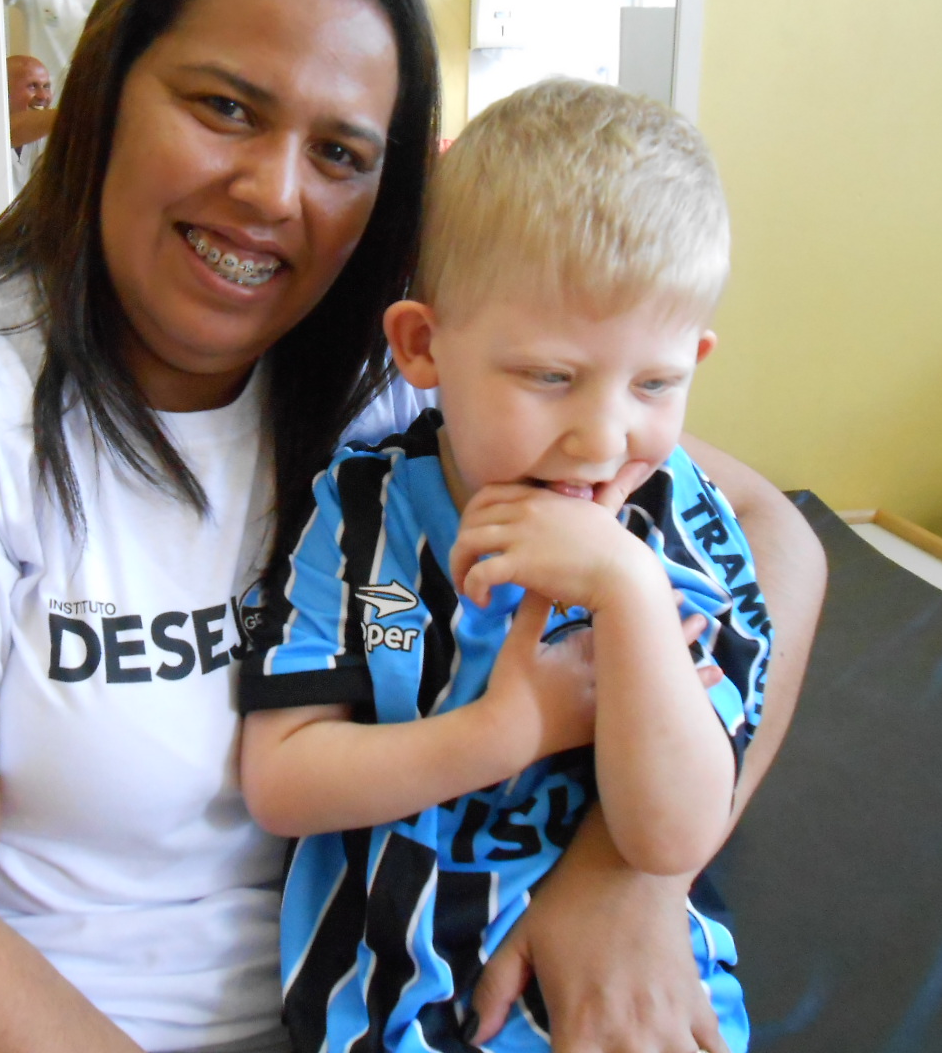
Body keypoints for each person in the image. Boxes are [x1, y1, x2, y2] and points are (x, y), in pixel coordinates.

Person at [0, 0, 824, 1053]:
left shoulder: (388, 381)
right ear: (107, 92)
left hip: (343, 1012)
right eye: (226, 108)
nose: (271, 193)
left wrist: (627, 880)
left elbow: (775, 538)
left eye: (343, 154)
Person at [240, 79, 763, 1053]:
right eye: (551, 378)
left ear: (696, 357)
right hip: (378, 1009)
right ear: (423, 345)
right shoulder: (362, 516)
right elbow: (280, 781)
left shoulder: (674, 537)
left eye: (653, 383)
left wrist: (628, 593)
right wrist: (508, 728)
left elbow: (673, 834)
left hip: (621, 1015)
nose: (599, 441)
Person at [6, 53, 54, 198]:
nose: (43, 96)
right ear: (4, 90)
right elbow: (9, 132)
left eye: (46, 87)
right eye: (33, 86)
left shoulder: (48, 135)